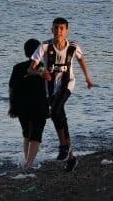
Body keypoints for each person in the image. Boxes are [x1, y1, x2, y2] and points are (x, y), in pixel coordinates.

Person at [31, 18, 95, 169]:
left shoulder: (73, 46)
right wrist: (42, 72)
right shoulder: (45, 46)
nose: (58, 31)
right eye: (56, 28)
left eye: (61, 28)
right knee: (58, 116)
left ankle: (63, 148)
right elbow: (32, 66)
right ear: (51, 29)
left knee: (56, 111)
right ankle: (70, 156)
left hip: (68, 84)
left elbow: (81, 59)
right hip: (51, 88)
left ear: (67, 30)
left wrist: (88, 78)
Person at [7, 38, 49, 173]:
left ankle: (27, 162)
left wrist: (12, 106)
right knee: (36, 134)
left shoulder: (17, 67)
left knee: (26, 134)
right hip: (39, 106)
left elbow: (11, 88)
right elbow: (50, 86)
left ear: (25, 52)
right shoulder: (41, 67)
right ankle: (29, 163)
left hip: (22, 106)